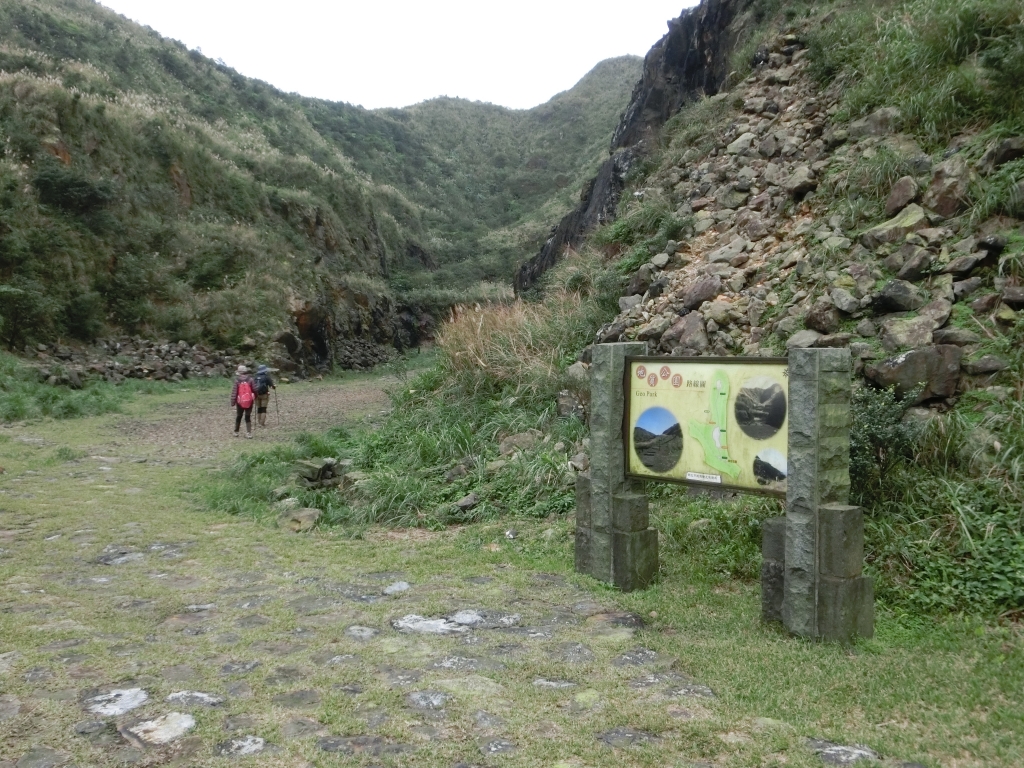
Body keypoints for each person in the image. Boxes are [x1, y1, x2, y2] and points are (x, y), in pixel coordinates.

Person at [230, 364, 256, 438]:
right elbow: (255, 389)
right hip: (249, 401)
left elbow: (234, 392)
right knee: (247, 416)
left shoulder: (237, 380)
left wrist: (233, 402)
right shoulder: (251, 379)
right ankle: (249, 433)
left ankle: (236, 432)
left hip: (240, 402)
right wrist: (255, 397)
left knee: (239, 416)